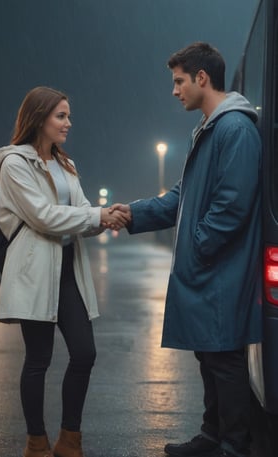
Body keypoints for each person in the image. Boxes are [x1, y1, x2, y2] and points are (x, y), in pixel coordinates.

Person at [110, 42, 262, 457]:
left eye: (179, 81)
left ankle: (234, 444)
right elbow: (182, 197)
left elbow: (233, 204)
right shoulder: (212, 128)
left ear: (201, 77)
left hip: (222, 268)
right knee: (209, 355)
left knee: (224, 358)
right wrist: (134, 212)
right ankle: (212, 436)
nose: (175, 91)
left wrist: (198, 246)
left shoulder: (234, 129)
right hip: (212, 267)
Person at [0, 86, 130, 457]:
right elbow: (44, 216)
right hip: (35, 270)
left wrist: (107, 217)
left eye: (68, 115)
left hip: (68, 268)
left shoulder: (66, 165)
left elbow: (83, 213)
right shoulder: (14, 164)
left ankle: (70, 440)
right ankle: (36, 442)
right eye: (61, 116)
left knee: (84, 354)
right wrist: (95, 215)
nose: (69, 123)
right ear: (39, 117)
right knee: (38, 359)